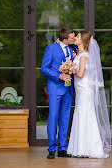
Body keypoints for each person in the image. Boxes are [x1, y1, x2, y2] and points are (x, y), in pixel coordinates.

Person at [67, 31, 111, 158]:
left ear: (84, 41)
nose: (75, 38)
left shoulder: (84, 55)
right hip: (80, 88)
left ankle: (89, 148)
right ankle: (81, 147)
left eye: (78, 36)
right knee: (81, 113)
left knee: (85, 113)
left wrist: (70, 68)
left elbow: (80, 74)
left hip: (84, 88)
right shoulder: (78, 54)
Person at [40, 27, 76, 159]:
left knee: (65, 118)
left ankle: (62, 148)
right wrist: (59, 76)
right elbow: (44, 68)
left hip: (68, 89)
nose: (74, 38)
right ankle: (51, 149)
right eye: (72, 37)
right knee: (53, 117)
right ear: (65, 39)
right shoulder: (51, 48)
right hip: (55, 88)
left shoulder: (72, 50)